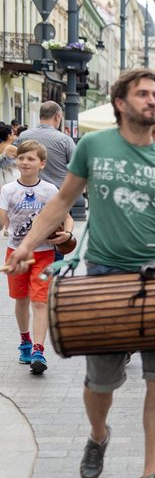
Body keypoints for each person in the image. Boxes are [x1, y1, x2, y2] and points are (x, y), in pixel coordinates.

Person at [4, 68, 155, 478]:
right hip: (103, 275)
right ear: (121, 103)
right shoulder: (94, 147)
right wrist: (26, 246)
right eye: (142, 94)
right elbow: (62, 202)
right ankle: (99, 435)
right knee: (99, 384)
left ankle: (150, 476)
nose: (152, 101)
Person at [0, 140, 72, 373]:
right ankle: (25, 342)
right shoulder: (7, 190)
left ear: (42, 163)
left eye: (30, 158)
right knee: (21, 299)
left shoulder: (49, 190)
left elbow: (66, 216)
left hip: (43, 254)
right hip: (15, 253)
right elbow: (2, 221)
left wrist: (68, 233)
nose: (24, 162)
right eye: (21, 157)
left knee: (39, 302)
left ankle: (39, 350)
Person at [13, 102, 74, 189]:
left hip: (29, 192)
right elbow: (77, 167)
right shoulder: (65, 140)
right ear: (57, 117)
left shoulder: (23, 136)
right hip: (58, 195)